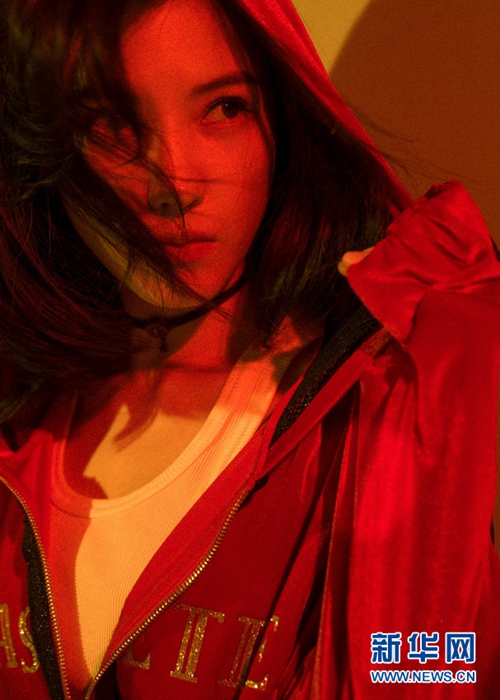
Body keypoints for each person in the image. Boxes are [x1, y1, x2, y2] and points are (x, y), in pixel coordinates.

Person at [0, 0, 499, 697]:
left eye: (224, 109)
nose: (175, 182)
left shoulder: (396, 403)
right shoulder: (21, 410)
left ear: (283, 124)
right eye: (110, 125)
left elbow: (439, 667)